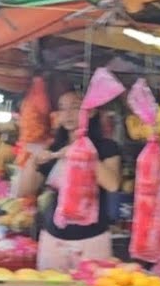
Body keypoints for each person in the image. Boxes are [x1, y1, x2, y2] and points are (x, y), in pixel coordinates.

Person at [16, 91, 122, 271]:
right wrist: (33, 161)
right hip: (53, 238)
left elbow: (112, 184)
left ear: (91, 112)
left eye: (75, 107)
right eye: (63, 109)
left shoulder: (106, 147)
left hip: (93, 238)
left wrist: (83, 154)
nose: (68, 114)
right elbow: (24, 190)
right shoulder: (54, 149)